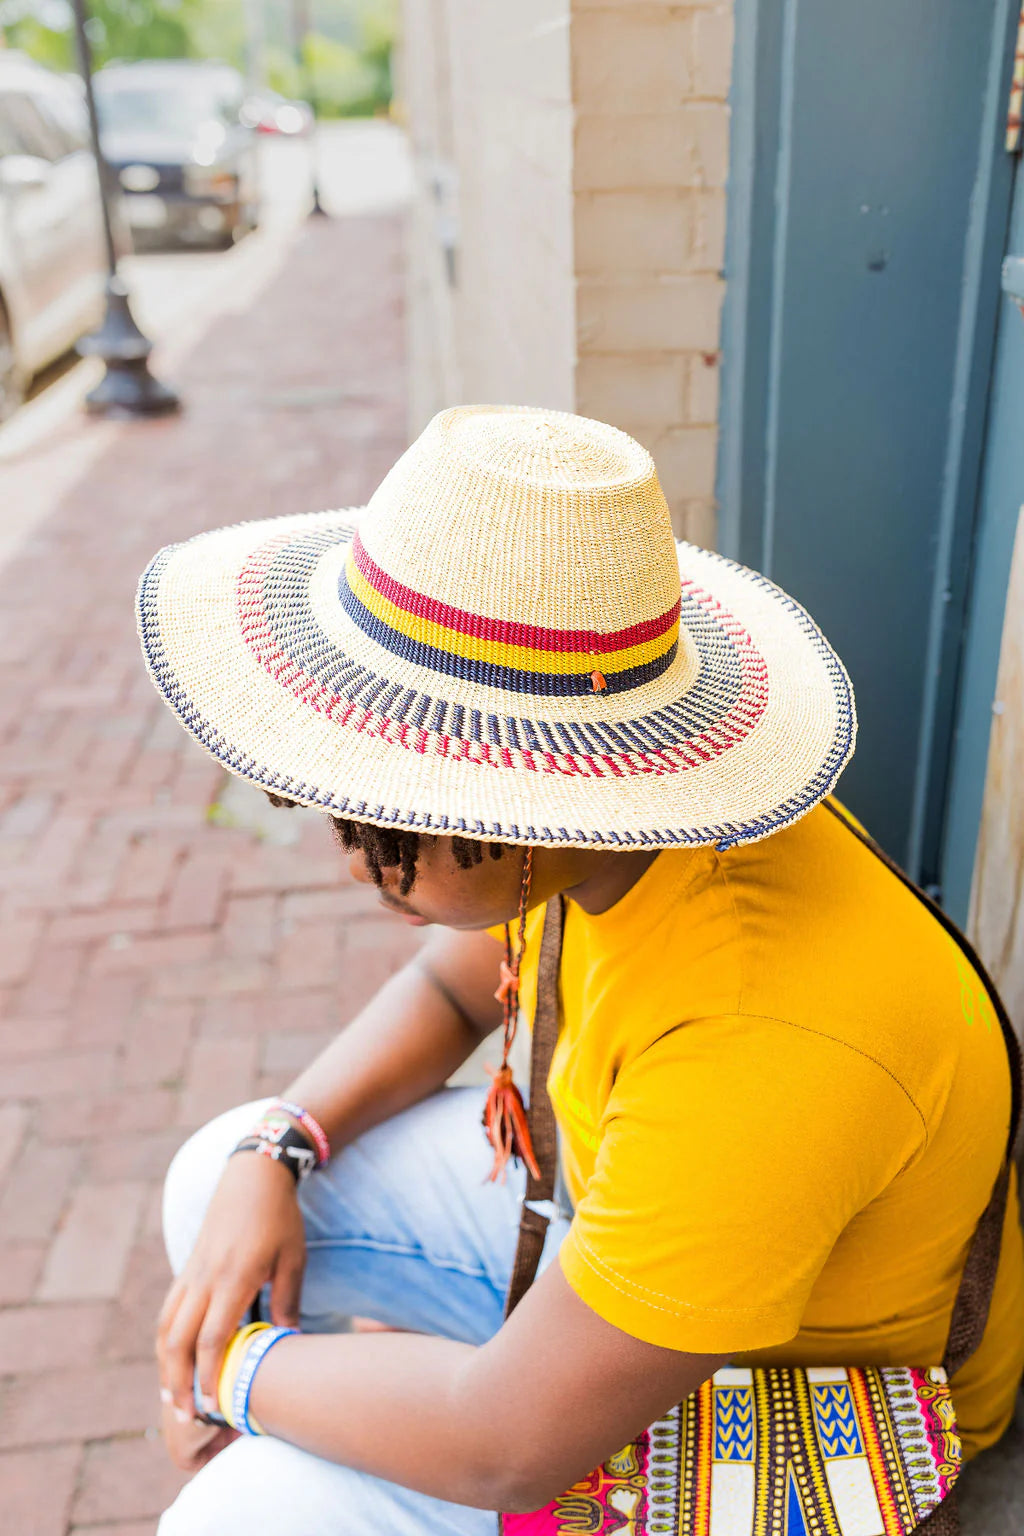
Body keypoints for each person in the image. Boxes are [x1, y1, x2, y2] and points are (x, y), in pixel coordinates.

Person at [138, 405, 1024, 1535]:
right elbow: (452, 989)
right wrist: (282, 1143)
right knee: (215, 1179)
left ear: (529, 798)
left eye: (382, 808)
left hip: (793, 1390)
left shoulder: (763, 1038)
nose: (347, 845)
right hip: (626, 1221)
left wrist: (226, 1376)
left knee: (243, 1513)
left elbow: (503, 1445)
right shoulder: (624, 832)